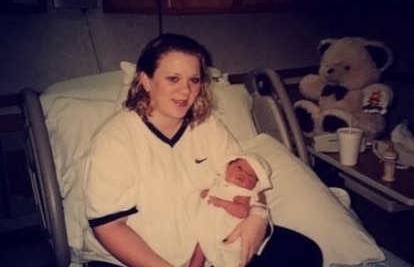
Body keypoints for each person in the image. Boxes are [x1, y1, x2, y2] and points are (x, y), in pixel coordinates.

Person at [83, 32, 323, 267]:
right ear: (145, 80)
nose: (186, 91)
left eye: (194, 80)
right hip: (134, 259)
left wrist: (258, 214)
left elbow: (246, 174)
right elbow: (109, 227)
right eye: (173, 79)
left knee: (303, 253)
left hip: (210, 245)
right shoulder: (115, 140)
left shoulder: (207, 126)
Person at [189, 154, 272, 267]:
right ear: (227, 167)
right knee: (198, 253)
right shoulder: (217, 184)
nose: (243, 174)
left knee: (224, 258)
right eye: (239, 168)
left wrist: (223, 203)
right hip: (208, 228)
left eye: (250, 176)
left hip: (227, 233)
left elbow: (242, 212)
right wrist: (206, 193)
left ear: (254, 185)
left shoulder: (243, 194)